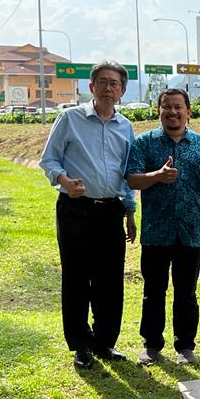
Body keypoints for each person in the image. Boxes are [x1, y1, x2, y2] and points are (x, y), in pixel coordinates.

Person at [38, 61, 136, 369]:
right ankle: (81, 345)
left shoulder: (126, 126)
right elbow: (49, 160)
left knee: (110, 280)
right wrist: (64, 181)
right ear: (91, 87)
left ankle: (105, 342)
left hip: (111, 211)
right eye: (102, 82)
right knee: (77, 278)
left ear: (122, 90)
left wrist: (130, 211)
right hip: (75, 210)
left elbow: (127, 173)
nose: (108, 88)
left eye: (115, 83)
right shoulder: (70, 118)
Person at [127, 88, 200, 365]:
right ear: (159, 111)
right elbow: (132, 179)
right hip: (156, 231)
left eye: (178, 107)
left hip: (191, 231)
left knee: (186, 293)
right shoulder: (144, 143)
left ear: (188, 111)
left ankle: (185, 346)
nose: (173, 112)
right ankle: (152, 344)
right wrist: (157, 175)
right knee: (153, 292)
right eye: (167, 107)